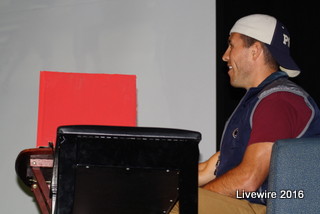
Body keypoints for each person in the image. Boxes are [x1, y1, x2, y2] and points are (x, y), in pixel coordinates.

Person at [170, 14, 320, 214]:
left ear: (255, 50)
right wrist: (150, 182)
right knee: (160, 196)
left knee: (174, 204)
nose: (225, 55)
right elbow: (207, 170)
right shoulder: (259, 102)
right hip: (257, 205)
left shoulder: (278, 100)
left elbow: (248, 180)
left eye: (231, 45)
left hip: (275, 206)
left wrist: (191, 202)